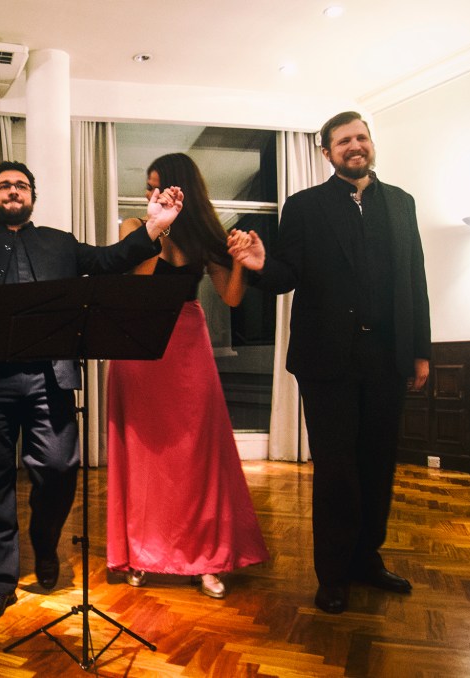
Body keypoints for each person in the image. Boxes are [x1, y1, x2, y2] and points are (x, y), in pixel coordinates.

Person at [0, 156, 183, 620]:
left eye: (21, 185)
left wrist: (155, 227)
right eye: (3, 185)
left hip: (49, 377)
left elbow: (109, 260)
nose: (12, 190)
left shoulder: (60, 243)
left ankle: (44, 541)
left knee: (61, 466)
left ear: (32, 197)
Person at [228, 111, 430, 614]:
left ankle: (367, 560)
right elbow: (286, 275)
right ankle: (334, 574)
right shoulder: (304, 206)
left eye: (361, 137)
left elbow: (415, 279)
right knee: (337, 470)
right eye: (343, 141)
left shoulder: (402, 203)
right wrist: (260, 264)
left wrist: (420, 351)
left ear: (371, 143)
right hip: (327, 362)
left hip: (387, 358)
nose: (355, 146)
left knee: (378, 465)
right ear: (327, 152)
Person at [105, 153, 269, 599]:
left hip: (187, 344)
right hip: (140, 345)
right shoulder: (135, 227)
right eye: (148, 187)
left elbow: (231, 297)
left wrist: (240, 260)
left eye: (157, 186)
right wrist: (156, 227)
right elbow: (138, 284)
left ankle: (208, 558)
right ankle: (141, 552)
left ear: (181, 188)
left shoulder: (203, 235)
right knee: (143, 457)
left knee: (198, 454)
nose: (149, 194)